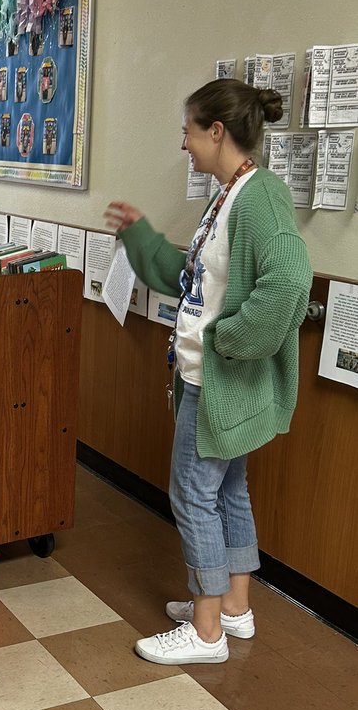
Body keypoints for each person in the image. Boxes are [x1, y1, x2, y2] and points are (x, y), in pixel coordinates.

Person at [104, 79, 311, 665]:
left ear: (216, 132)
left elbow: (290, 282)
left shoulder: (260, 197)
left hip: (218, 380)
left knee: (193, 495)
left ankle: (206, 630)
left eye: (189, 132)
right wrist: (142, 237)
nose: (184, 145)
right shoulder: (229, 195)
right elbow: (193, 279)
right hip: (217, 380)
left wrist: (229, 342)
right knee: (228, 490)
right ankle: (233, 608)